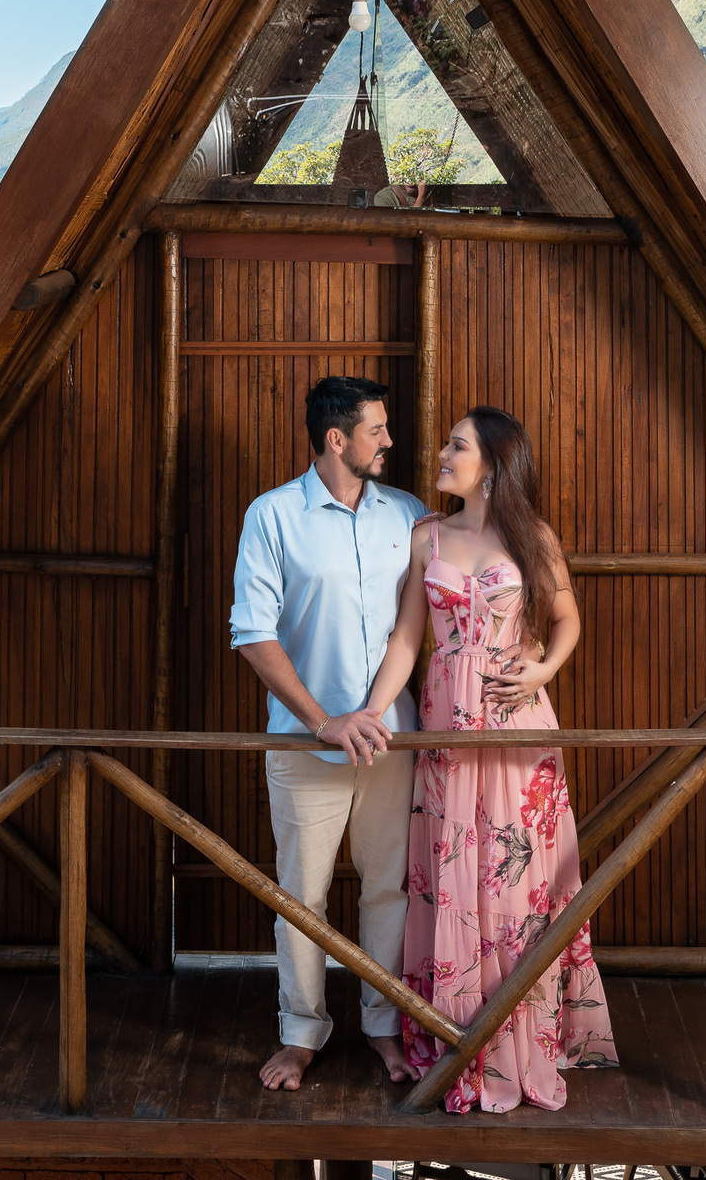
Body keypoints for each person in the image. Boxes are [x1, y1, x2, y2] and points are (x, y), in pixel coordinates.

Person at [365, 405, 617, 1112]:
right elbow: (407, 639)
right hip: (447, 726)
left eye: (458, 446)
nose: (442, 455)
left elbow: (566, 618)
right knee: (453, 877)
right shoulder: (427, 536)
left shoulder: (533, 536)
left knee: (516, 881)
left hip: (518, 726)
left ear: (493, 465)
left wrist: (544, 671)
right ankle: (458, 1039)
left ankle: (519, 1040)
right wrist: (372, 712)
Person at [230, 374, 428, 1092]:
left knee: (389, 890)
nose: (390, 441)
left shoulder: (409, 515)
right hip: (302, 743)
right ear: (337, 439)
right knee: (300, 898)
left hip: (393, 741)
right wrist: (324, 722)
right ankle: (301, 1033)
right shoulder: (272, 516)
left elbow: (424, 621)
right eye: (378, 430)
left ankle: (385, 1024)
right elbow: (252, 633)